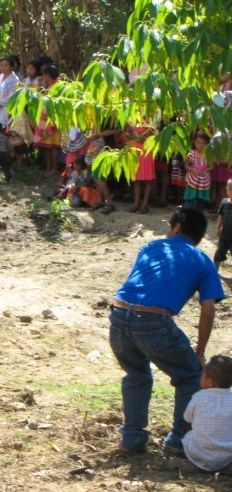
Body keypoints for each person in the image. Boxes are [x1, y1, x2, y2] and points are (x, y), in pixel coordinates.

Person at [109, 208, 225, 457]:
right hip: (153, 321)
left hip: (118, 314)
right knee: (191, 375)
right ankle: (178, 440)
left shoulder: (151, 247)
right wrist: (200, 352)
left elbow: (138, 283)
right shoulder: (203, 260)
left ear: (176, 228)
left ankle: (132, 439)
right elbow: (207, 311)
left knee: (137, 376)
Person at [181, 355, 232, 472]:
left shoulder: (198, 397)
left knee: (188, 435)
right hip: (227, 456)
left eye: (202, 375)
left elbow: (187, 419)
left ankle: (201, 464)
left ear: (210, 381)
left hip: (198, 454)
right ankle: (224, 466)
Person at [34, 64, 61, 177]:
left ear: (48, 75)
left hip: (53, 121)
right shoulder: (48, 85)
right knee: (47, 147)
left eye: (44, 74)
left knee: (54, 147)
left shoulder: (58, 86)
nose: (42, 76)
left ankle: (54, 168)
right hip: (45, 121)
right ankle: (49, 167)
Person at [126, 123, 156, 214]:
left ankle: (145, 205)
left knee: (147, 180)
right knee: (136, 180)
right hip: (135, 153)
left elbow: (145, 140)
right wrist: (133, 135)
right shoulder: (133, 121)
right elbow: (126, 134)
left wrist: (133, 135)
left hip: (145, 152)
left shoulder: (150, 123)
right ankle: (136, 203)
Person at [184, 132, 213, 211]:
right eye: (198, 142)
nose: (201, 145)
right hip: (193, 178)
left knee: (201, 199)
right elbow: (186, 165)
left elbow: (212, 165)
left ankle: (199, 214)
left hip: (203, 179)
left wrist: (206, 170)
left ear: (207, 143)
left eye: (203, 143)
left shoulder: (208, 154)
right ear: (194, 142)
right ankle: (187, 213)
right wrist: (192, 170)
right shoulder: (192, 153)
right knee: (190, 197)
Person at [214, 178, 232, 270]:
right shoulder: (224, 202)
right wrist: (218, 228)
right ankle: (214, 271)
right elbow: (220, 216)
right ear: (227, 189)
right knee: (219, 253)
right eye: (230, 189)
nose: (231, 191)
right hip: (224, 235)